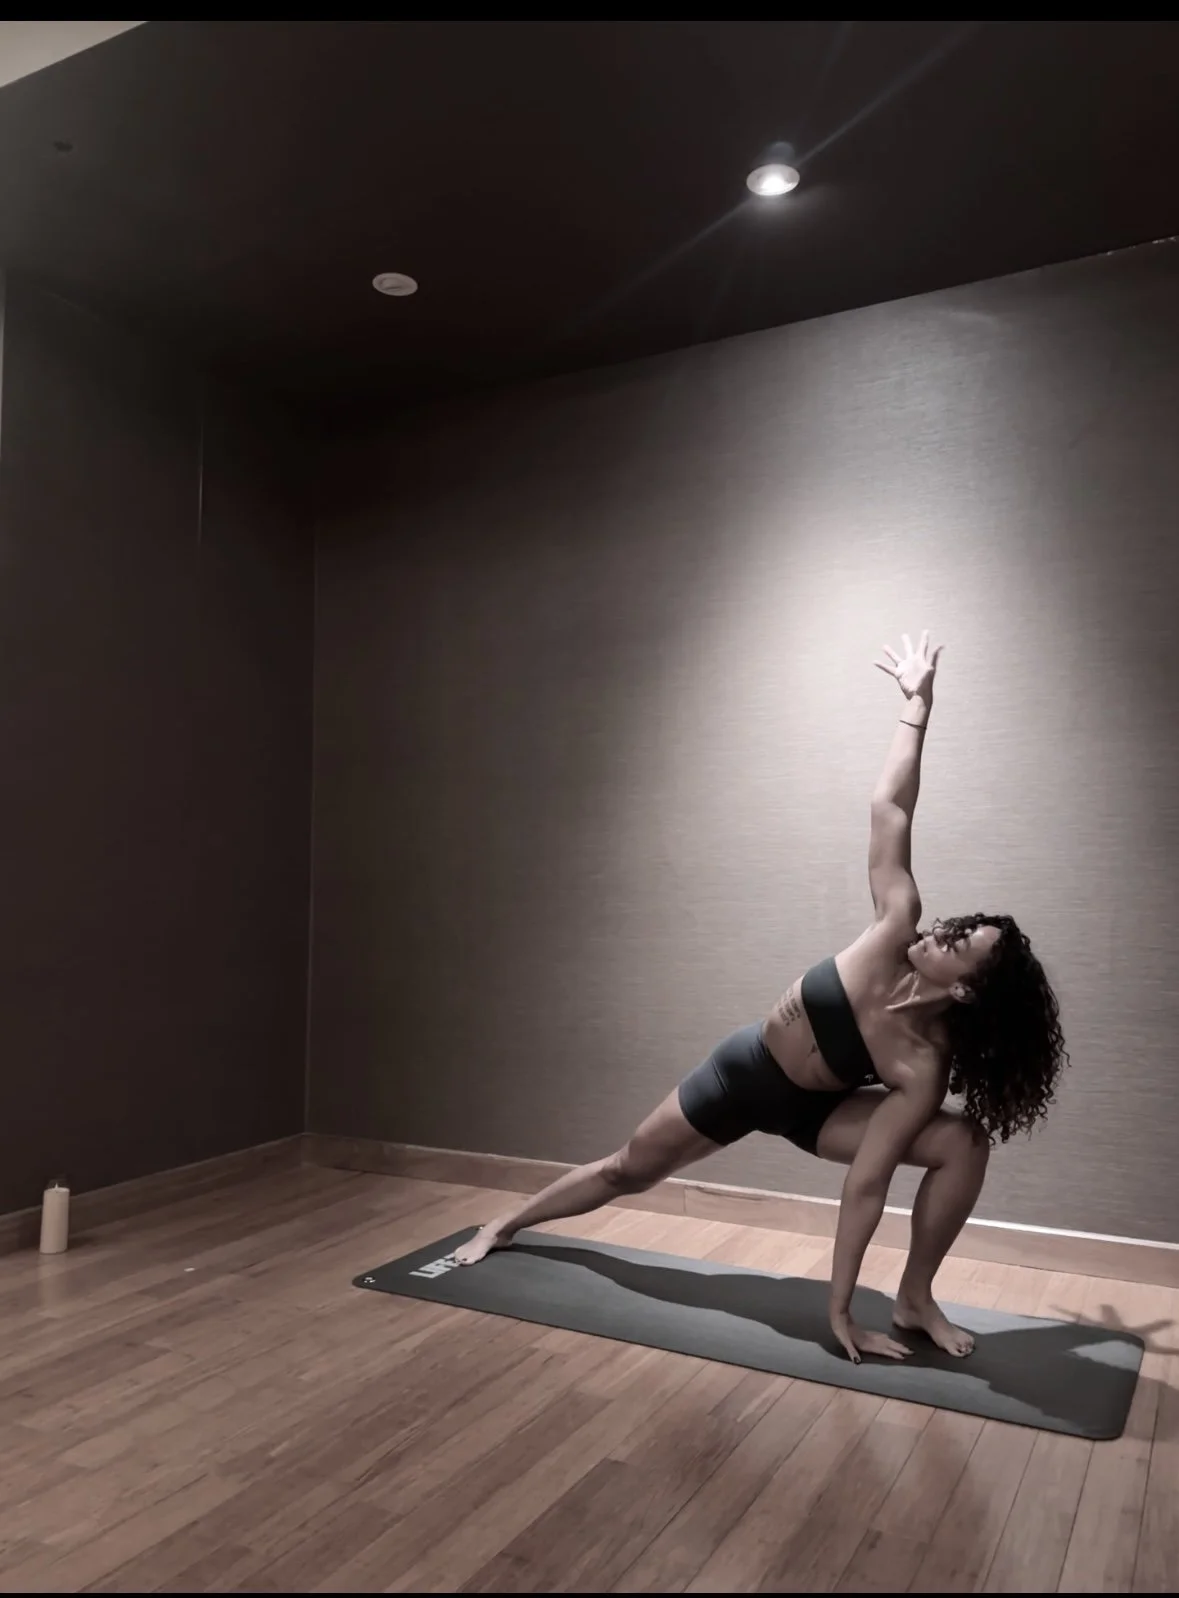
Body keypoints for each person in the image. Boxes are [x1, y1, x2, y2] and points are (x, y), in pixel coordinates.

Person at [455, 632, 1069, 1364]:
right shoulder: (894, 926)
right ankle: (506, 1225)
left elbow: (867, 1183)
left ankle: (913, 1298)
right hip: (743, 1073)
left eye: (955, 942)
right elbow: (890, 807)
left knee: (963, 1142)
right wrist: (917, 708)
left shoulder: (920, 1064)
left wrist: (839, 1309)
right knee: (628, 1170)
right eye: (952, 925)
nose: (939, 931)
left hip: (818, 1113)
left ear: (963, 988)